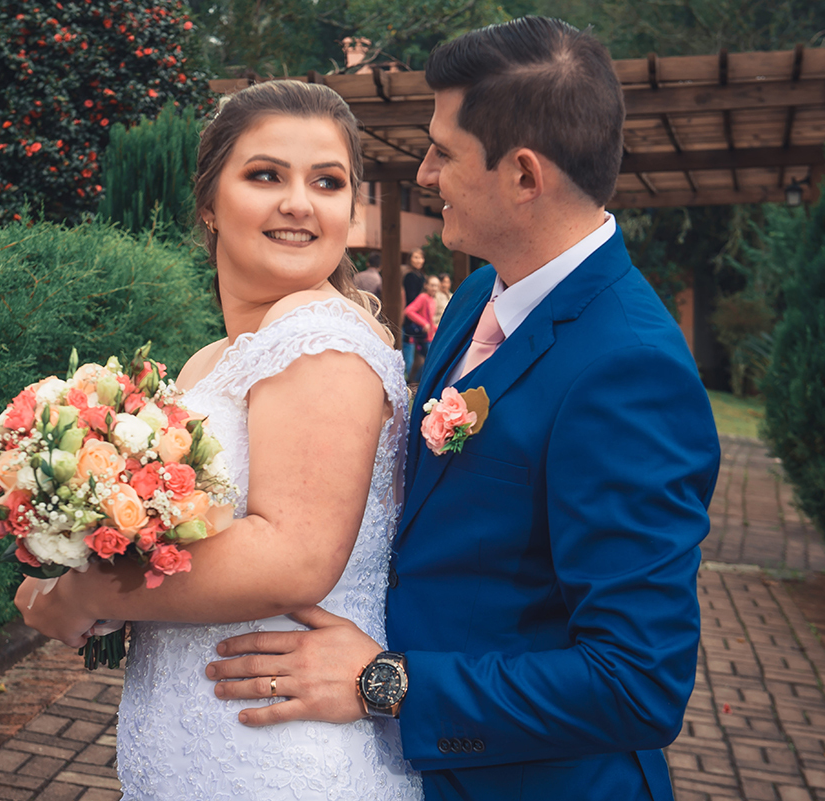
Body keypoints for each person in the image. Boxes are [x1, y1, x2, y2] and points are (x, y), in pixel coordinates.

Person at [207, 17, 721, 801]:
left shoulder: (630, 368)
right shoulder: (481, 291)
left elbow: (635, 683)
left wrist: (387, 682)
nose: (422, 171)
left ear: (523, 175)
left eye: (444, 150)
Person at [14, 80, 422, 801]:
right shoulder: (214, 358)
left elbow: (291, 554)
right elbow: (191, 542)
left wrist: (84, 589)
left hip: (282, 754)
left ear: (349, 210)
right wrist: (85, 533)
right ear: (208, 203)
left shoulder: (319, 337)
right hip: (196, 743)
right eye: (266, 174)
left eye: (327, 182)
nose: (300, 201)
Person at [403, 274, 440, 382]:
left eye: (436, 286)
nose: (434, 288)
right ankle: (415, 383)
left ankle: (414, 383)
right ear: (426, 285)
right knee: (430, 361)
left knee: (424, 362)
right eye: (432, 285)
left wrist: (437, 330)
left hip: (429, 336)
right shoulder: (423, 297)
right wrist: (424, 323)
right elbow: (409, 311)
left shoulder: (432, 300)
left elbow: (430, 320)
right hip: (423, 336)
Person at [400, 248, 427, 378]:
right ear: (410, 259)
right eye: (415, 257)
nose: (418, 260)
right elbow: (411, 299)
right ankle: (408, 382)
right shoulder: (410, 276)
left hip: (419, 319)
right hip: (411, 319)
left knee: (420, 355)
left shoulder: (421, 276)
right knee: (409, 356)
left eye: (420, 257)